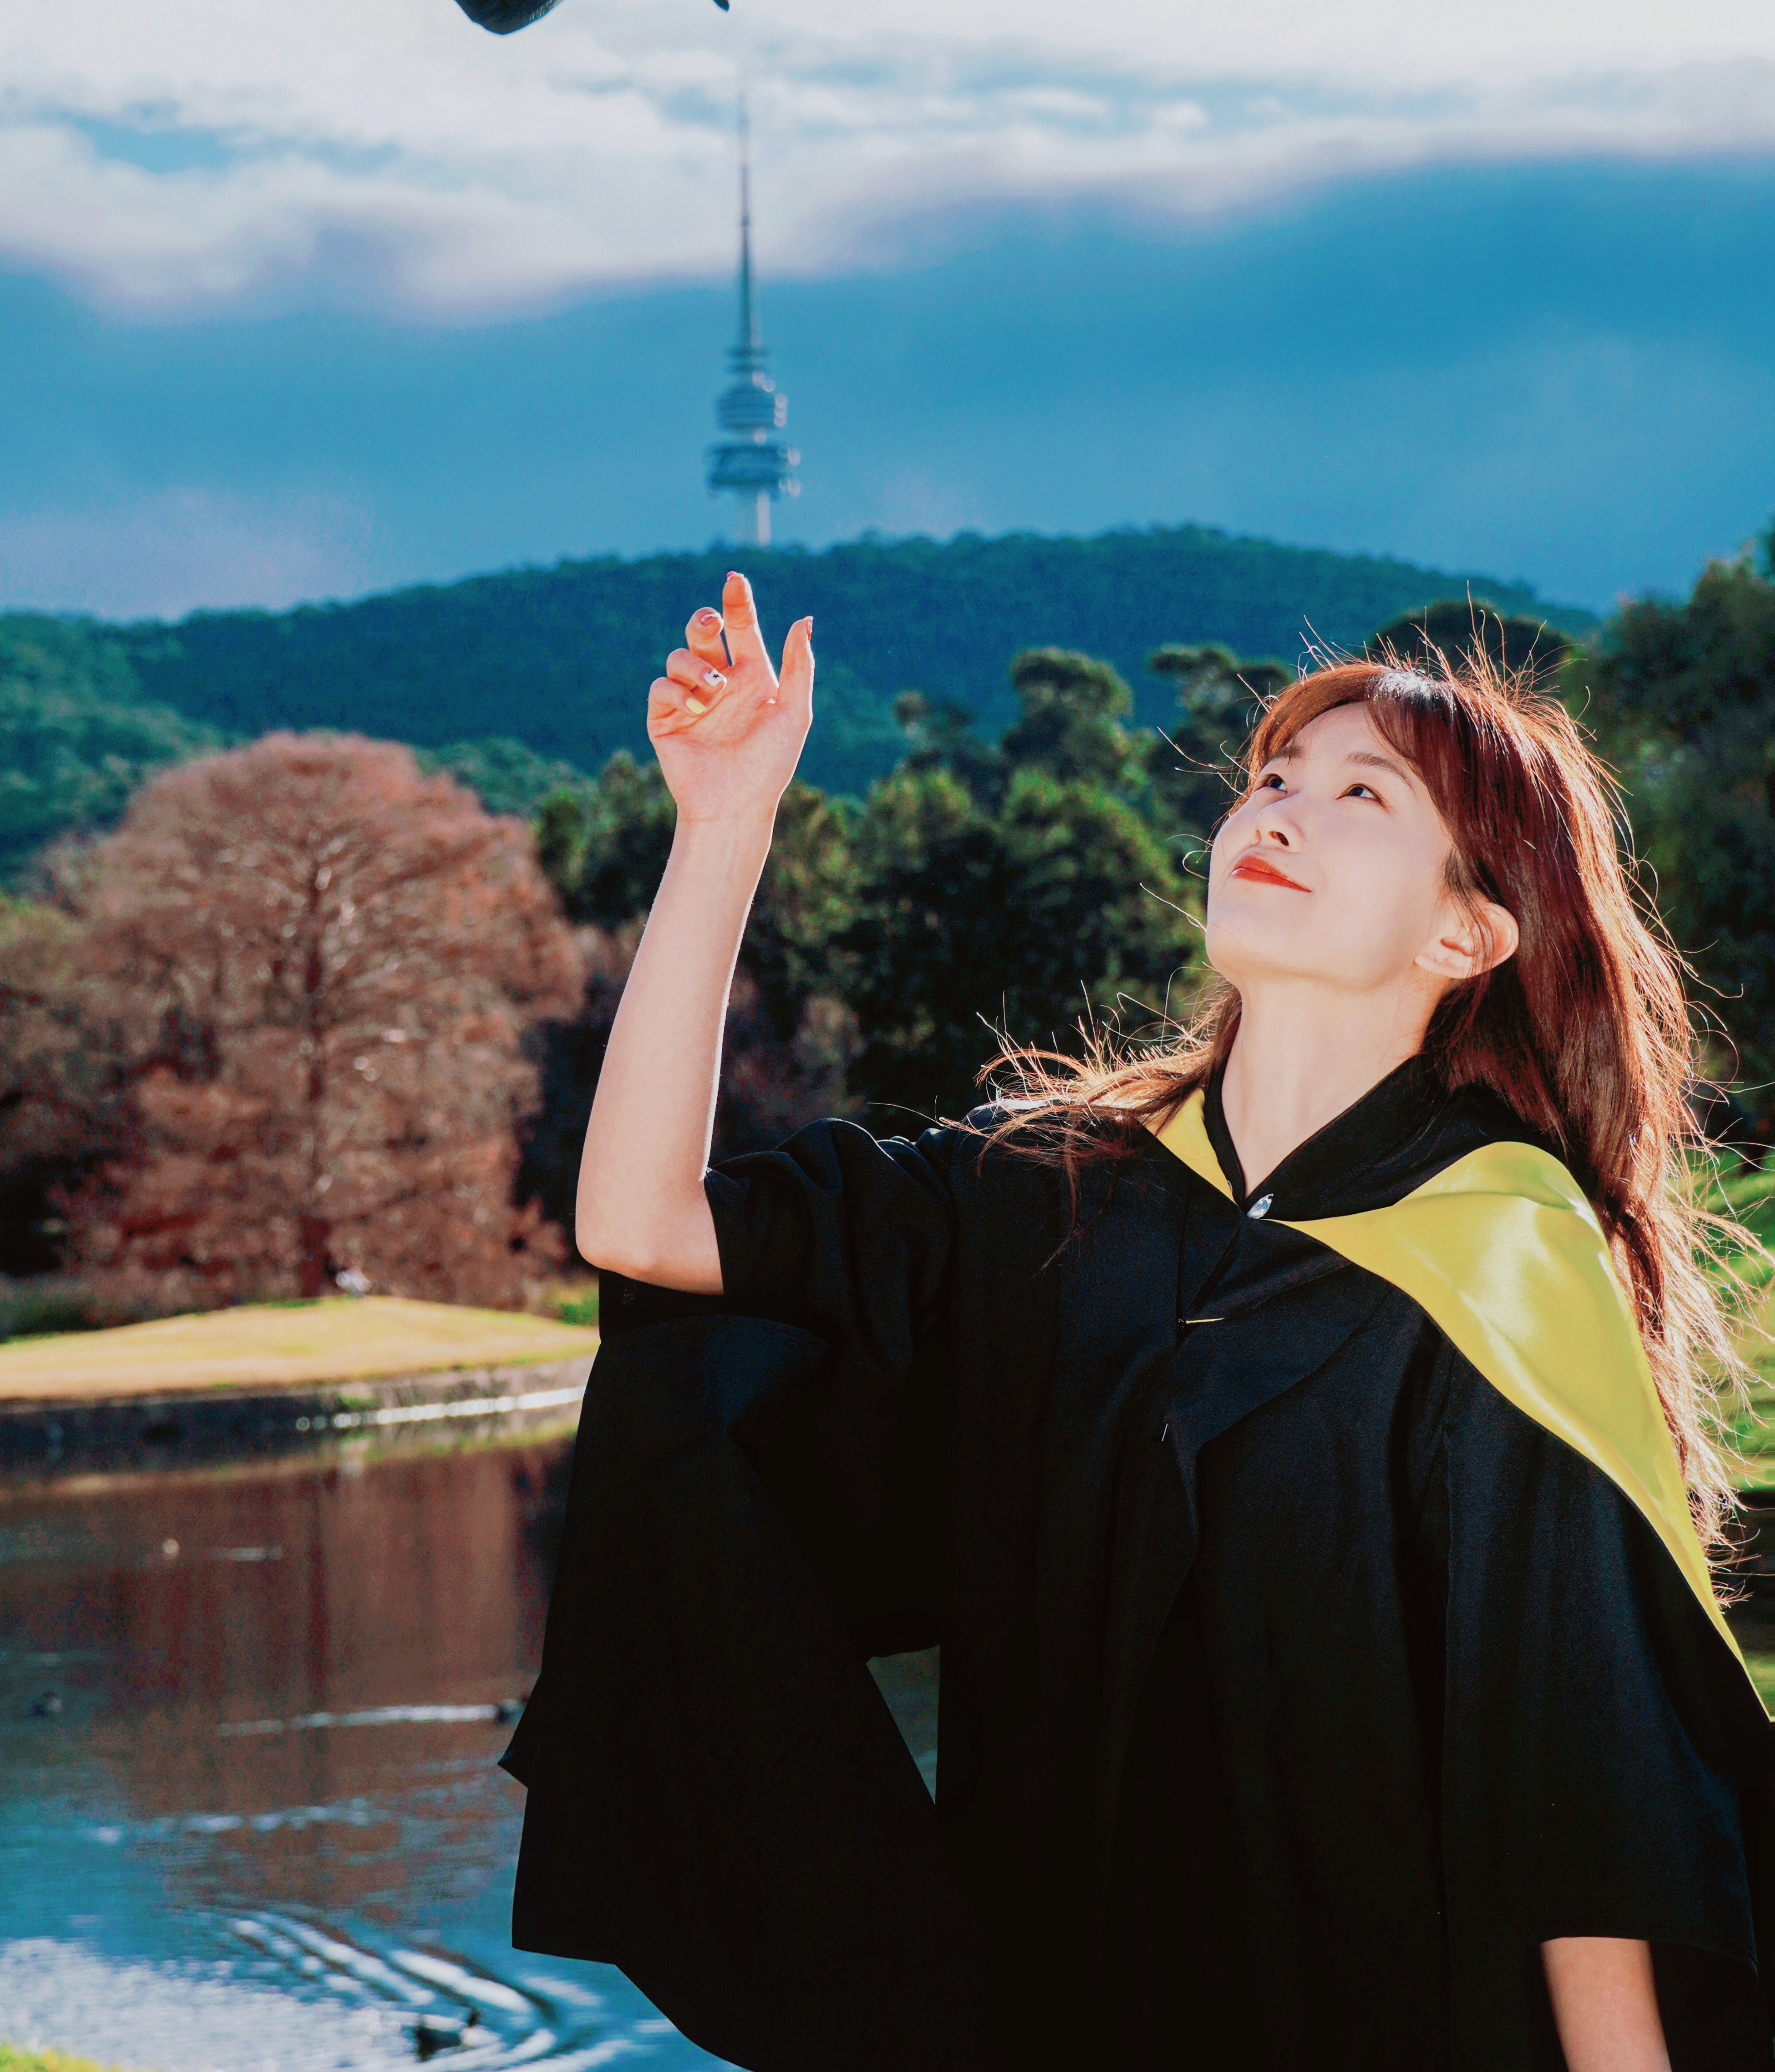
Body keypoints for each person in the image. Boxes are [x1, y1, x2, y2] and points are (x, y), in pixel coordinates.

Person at [501, 572, 1775, 2072]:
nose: (1279, 813)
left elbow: (1587, 1778)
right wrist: (723, 829)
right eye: (1271, 780)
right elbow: (641, 1227)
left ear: (1468, 935)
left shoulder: (1505, 1263)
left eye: (1364, 794)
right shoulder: (1049, 1196)